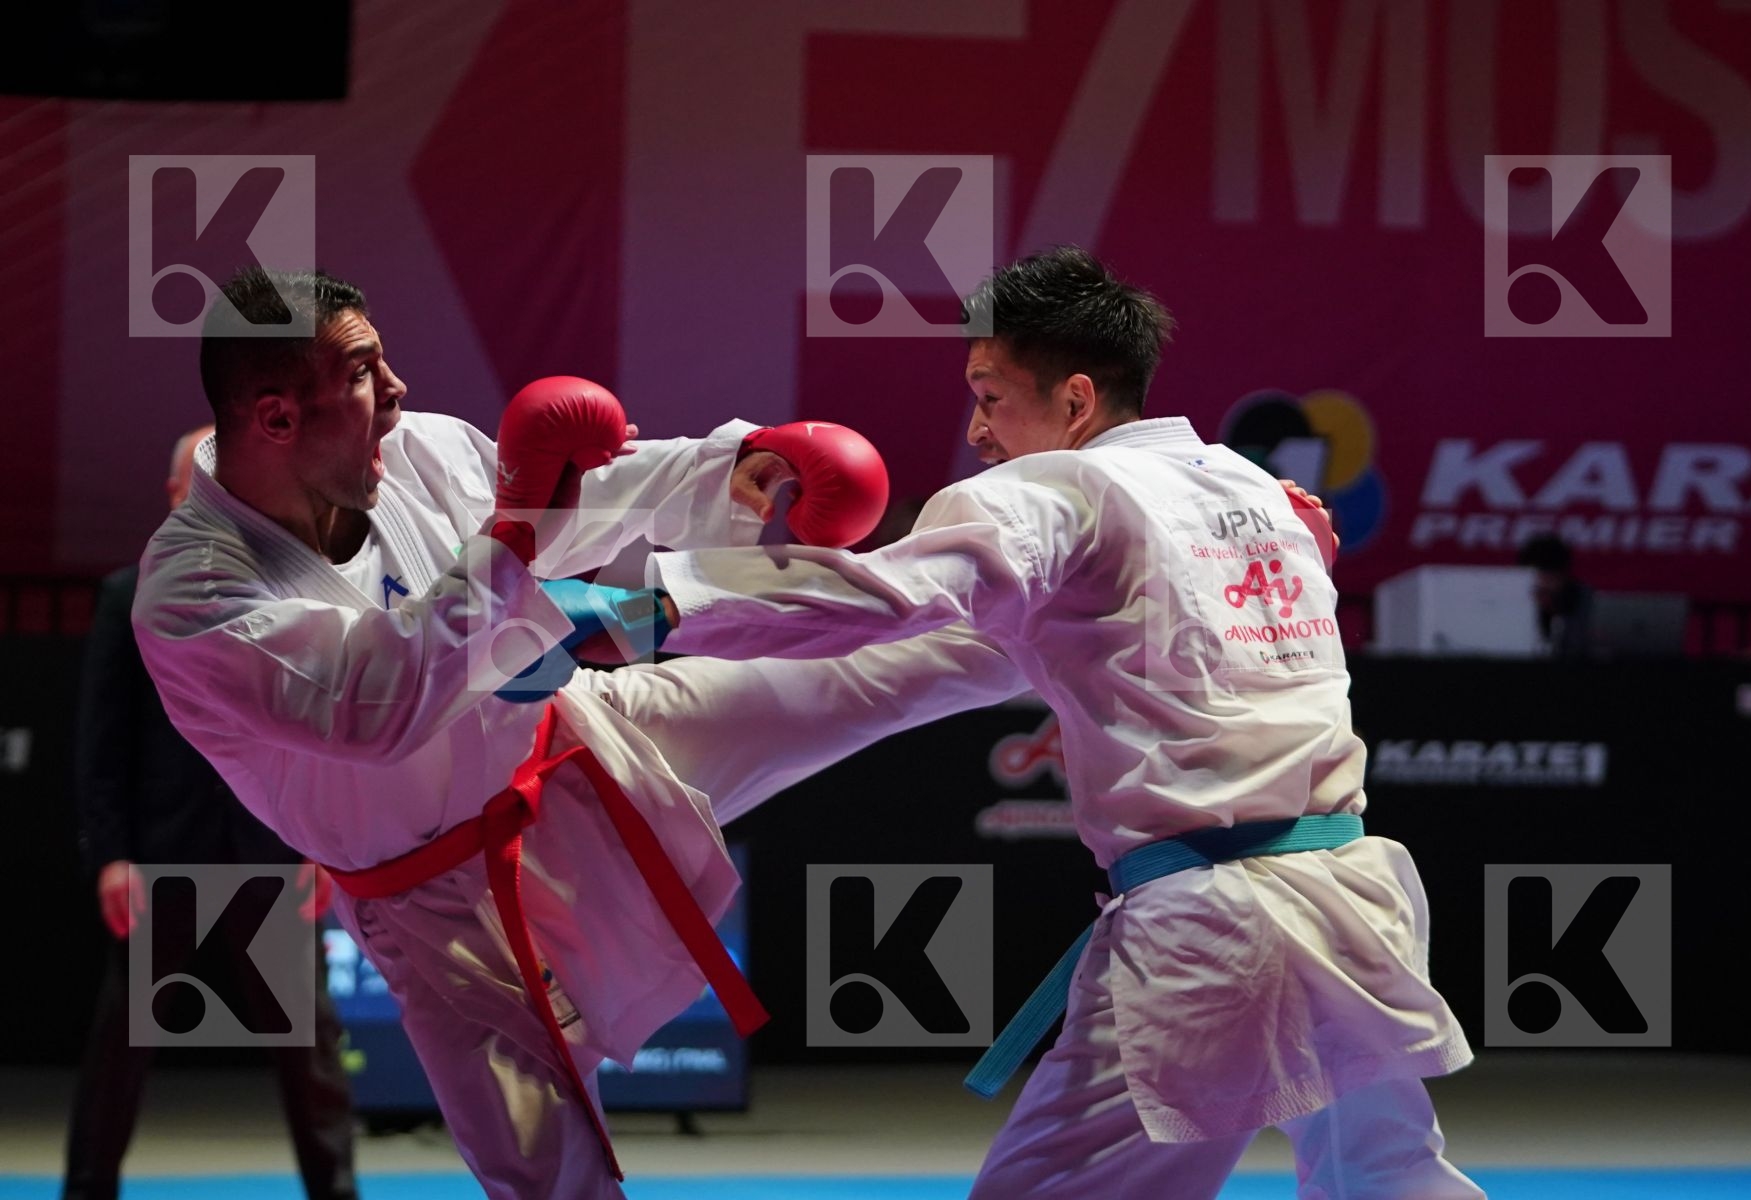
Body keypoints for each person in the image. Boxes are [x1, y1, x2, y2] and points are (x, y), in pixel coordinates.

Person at [132, 266, 1016, 1200]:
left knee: (856, 672)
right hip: (439, 910)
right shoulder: (194, 594)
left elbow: (578, 493)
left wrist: (734, 463)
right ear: (275, 418)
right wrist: (511, 535)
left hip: (574, 747)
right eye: (361, 371)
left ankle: (1054, 611)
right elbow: (377, 705)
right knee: (552, 1181)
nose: (396, 389)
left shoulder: (418, 453)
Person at [633, 247, 1484, 1198]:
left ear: (1075, 400)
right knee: (1391, 1179)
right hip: (1356, 899)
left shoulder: (1060, 489)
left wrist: (659, 601)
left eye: (990, 395)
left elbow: (888, 591)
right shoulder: (1258, 493)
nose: (977, 428)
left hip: (1215, 929)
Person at [65, 427, 357, 1200]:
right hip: (162, 855)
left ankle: (338, 1194)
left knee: (311, 1052)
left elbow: (318, 735)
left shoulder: (292, 591)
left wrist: (325, 847)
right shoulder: (128, 597)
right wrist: (110, 857)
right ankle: (86, 1190)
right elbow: (102, 741)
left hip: (273, 850)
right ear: (172, 495)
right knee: (120, 1048)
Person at [1517, 532, 1591, 657]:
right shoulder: (1510, 602)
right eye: (1538, 577)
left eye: (1551, 577)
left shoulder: (1583, 601)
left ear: (1564, 576)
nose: (1543, 585)